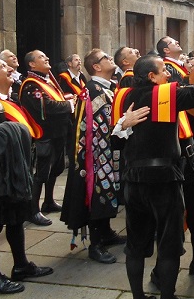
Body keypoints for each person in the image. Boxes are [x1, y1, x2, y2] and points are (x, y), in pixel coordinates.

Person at [118, 54, 194, 299]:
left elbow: (116, 140)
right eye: (163, 70)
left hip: (133, 178)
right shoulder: (166, 94)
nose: (168, 74)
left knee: (135, 245)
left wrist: (122, 124)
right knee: (169, 244)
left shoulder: (125, 96)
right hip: (164, 178)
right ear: (152, 76)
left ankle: (138, 296)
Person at [0, 59, 53, 294]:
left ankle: (21, 265)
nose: (10, 69)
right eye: (3, 67)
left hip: (14, 171)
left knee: (16, 219)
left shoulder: (8, 100)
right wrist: (14, 132)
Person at [60, 49, 134, 264]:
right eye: (106, 58)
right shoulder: (92, 90)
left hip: (108, 151)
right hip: (95, 156)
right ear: (96, 66)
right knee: (96, 194)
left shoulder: (107, 88)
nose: (110, 59)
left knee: (109, 192)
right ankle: (96, 243)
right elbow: (92, 127)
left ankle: (106, 232)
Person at [19, 50, 76, 226]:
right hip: (45, 135)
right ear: (32, 64)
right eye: (42, 57)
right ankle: (32, 210)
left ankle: (49, 201)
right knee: (41, 173)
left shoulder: (46, 80)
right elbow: (46, 107)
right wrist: (69, 104)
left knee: (56, 169)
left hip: (58, 133)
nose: (47, 58)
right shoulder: (31, 85)